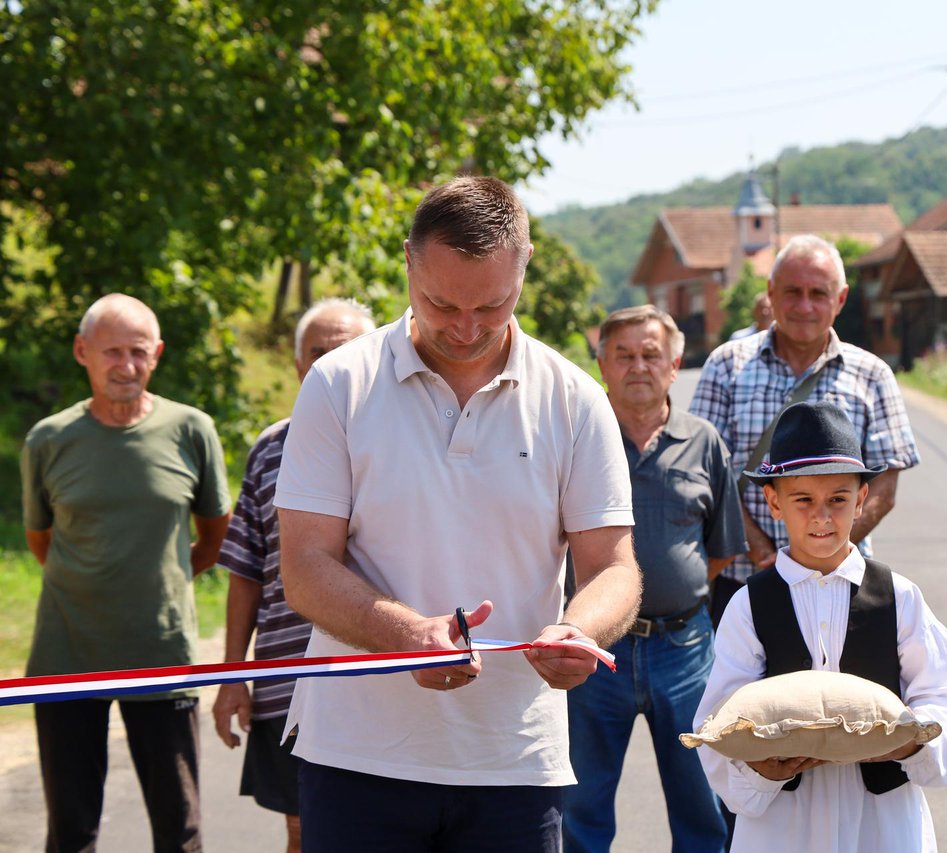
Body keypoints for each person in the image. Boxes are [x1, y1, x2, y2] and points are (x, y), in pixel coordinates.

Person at [273, 176, 641, 853]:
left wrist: (577, 628)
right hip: (359, 756)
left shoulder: (576, 400)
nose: (467, 328)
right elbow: (303, 563)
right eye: (441, 303)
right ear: (409, 262)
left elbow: (614, 567)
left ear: (524, 267)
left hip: (514, 762)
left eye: (492, 305)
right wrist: (405, 632)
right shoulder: (338, 384)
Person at [695, 401, 947, 853]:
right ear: (774, 502)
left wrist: (908, 745)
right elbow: (718, 720)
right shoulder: (750, 604)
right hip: (783, 827)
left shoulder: (898, 595)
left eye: (838, 500)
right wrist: (764, 770)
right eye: (803, 500)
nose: (822, 517)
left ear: (862, 499)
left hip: (882, 822)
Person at [20, 293, 232, 853]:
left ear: (157, 354)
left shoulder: (192, 430)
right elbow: (41, 540)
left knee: (179, 829)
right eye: (111, 352)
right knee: (70, 831)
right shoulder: (48, 439)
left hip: (161, 653)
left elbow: (214, 536)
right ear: (81, 351)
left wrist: (157, 579)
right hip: (66, 657)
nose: (126, 366)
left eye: (138, 352)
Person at [564, 306, 746, 853]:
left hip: (685, 649)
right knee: (580, 805)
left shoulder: (704, 441)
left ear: (674, 365)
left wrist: (672, 593)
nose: (637, 366)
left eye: (650, 355)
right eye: (623, 355)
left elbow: (718, 550)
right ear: (601, 365)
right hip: (595, 650)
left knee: (703, 804)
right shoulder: (576, 440)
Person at [212, 298, 376, 852]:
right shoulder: (269, 448)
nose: (331, 363)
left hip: (385, 680)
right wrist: (233, 674)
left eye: (346, 350)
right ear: (298, 363)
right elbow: (245, 572)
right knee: (304, 831)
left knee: (390, 828)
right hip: (287, 683)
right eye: (318, 353)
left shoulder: (404, 442)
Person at [690, 234, 919, 626]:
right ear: (771, 292)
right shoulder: (726, 365)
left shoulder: (873, 374)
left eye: (819, 293)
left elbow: (884, 486)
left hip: (842, 582)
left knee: (841, 690)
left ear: (841, 299)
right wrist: (763, 553)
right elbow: (708, 474)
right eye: (793, 292)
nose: (804, 306)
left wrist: (823, 554)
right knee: (742, 689)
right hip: (744, 581)